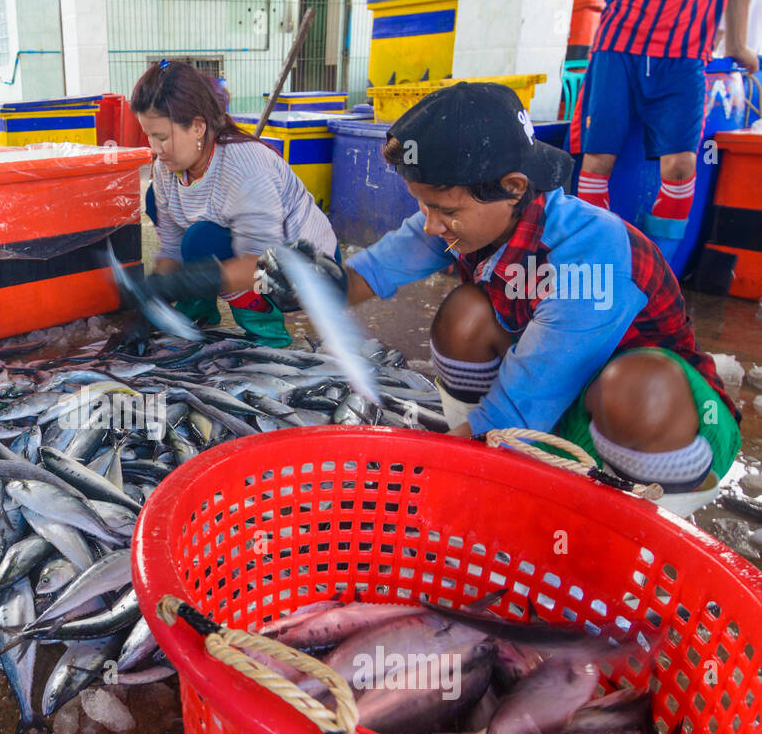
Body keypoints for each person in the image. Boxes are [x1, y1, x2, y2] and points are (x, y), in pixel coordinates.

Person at [259, 82, 740, 517]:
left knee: (635, 386)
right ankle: (489, 467)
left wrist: (412, 488)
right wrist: (315, 284)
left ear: (512, 187)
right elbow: (376, 269)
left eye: (444, 210)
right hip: (564, 407)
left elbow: (519, 406)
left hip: (664, 427)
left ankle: (640, 523)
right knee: (466, 313)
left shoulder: (590, 260)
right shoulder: (473, 215)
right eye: (422, 205)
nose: (430, 223)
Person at [128, 60, 339, 348]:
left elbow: (261, 262)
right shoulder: (167, 169)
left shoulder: (245, 165)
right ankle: (198, 308)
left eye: (162, 137)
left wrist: (187, 281)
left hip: (305, 269)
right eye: (149, 135)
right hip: (254, 259)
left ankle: (265, 327)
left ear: (198, 127)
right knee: (160, 203)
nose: (155, 149)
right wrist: (154, 298)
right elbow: (172, 249)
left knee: (203, 239)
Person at [577, 0, 759, 242]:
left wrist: (737, 44)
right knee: (597, 160)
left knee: (681, 166)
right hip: (618, 47)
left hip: (686, 55)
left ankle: (658, 264)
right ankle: (595, 253)